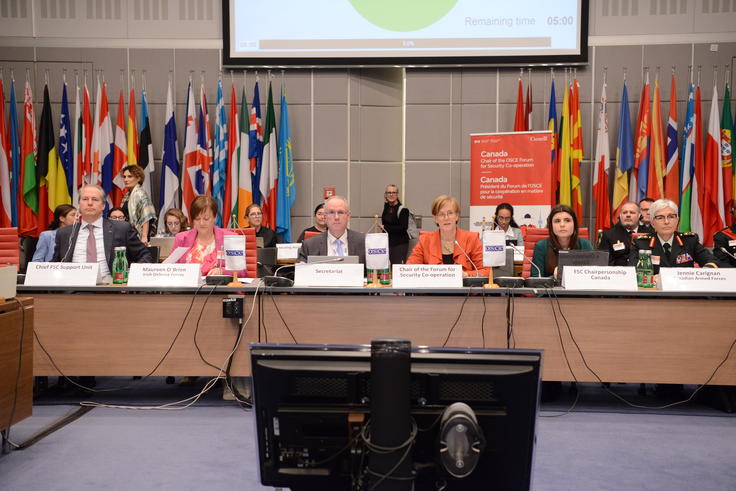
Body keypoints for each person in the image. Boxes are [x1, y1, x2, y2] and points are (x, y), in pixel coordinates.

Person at [52, 184, 153, 281]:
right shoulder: (64, 233)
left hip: (109, 288)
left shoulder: (121, 228)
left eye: (95, 199)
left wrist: (130, 278)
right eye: (85, 199)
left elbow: (145, 256)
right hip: (73, 288)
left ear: (103, 205)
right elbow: (55, 264)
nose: (90, 203)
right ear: (78, 205)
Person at [629, 199, 718, 282]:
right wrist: (650, 278)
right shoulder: (641, 243)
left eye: (671, 217)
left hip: (683, 289)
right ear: (652, 223)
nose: (666, 222)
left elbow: (712, 262)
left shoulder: (690, 241)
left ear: (677, 220)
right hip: (654, 291)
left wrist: (700, 274)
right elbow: (632, 271)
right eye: (660, 217)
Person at [407, 195, 489, 277]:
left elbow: (487, 271)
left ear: (457, 216)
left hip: (464, 285)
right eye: (441, 214)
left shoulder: (471, 239)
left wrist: (466, 274)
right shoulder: (425, 241)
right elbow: (409, 270)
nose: (446, 218)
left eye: (450, 213)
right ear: (435, 218)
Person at [173, 195, 247, 276]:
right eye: (197, 219)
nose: (201, 223)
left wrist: (222, 271)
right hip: (189, 283)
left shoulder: (230, 238)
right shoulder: (181, 238)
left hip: (218, 284)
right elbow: (171, 268)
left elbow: (242, 271)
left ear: (215, 217)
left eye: (206, 219)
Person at [297, 195, 366, 263]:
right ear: (325, 216)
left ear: (348, 216)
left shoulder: (364, 242)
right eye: (331, 212)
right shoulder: (309, 245)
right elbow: (300, 268)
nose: (336, 217)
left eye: (341, 212)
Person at [531, 204, 593, 278]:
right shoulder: (541, 247)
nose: (562, 224)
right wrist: (555, 277)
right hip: (551, 285)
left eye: (567, 220)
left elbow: (593, 275)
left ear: (574, 224)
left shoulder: (585, 245)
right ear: (551, 225)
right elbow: (536, 279)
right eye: (557, 221)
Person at [598, 201, 642, 266]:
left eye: (632, 212)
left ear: (639, 215)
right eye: (624, 213)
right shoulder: (609, 235)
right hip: (618, 271)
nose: (628, 215)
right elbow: (603, 261)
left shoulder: (649, 233)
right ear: (620, 216)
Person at [121, 165, 157, 244]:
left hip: (138, 236)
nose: (126, 179)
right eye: (124, 177)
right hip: (129, 234)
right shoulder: (128, 195)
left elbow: (146, 216)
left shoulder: (140, 193)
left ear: (138, 178)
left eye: (129, 176)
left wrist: (144, 237)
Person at [381, 184, 410, 265]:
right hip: (388, 243)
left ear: (397, 195)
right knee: (387, 267)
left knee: (397, 268)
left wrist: (385, 227)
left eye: (394, 192)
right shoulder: (386, 208)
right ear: (385, 195)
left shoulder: (403, 210)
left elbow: (403, 227)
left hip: (399, 244)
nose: (391, 194)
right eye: (389, 192)